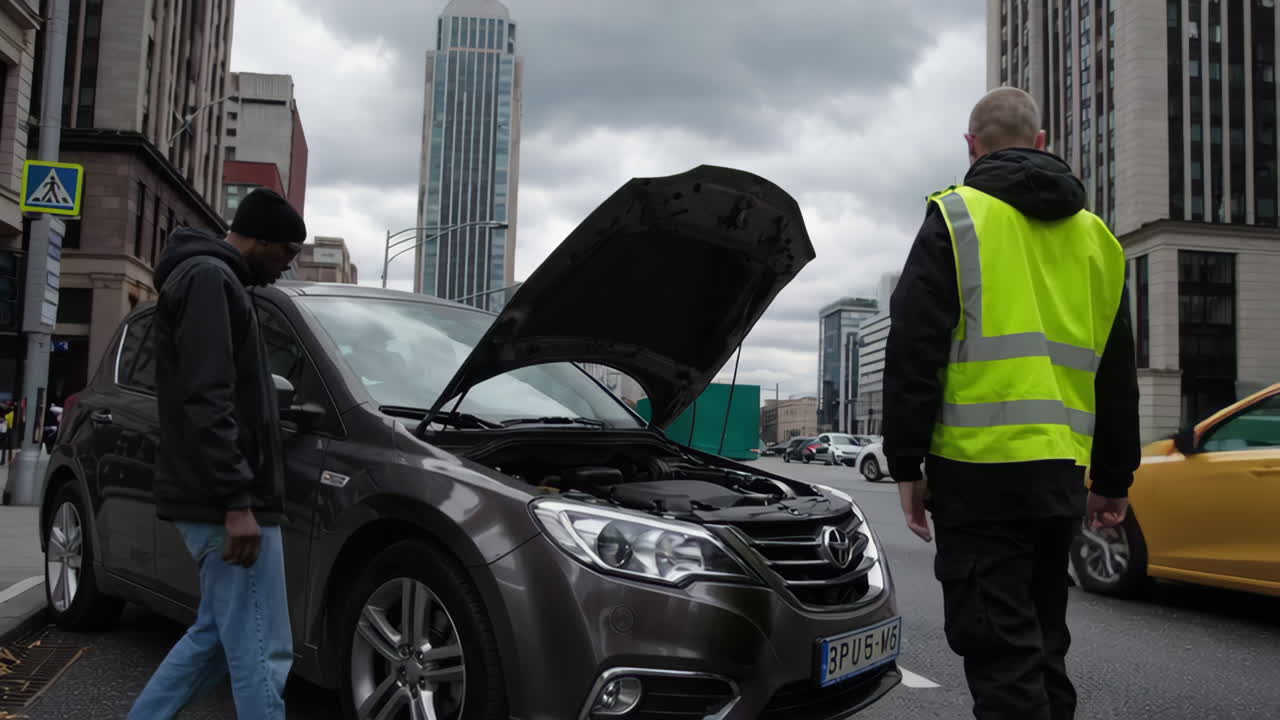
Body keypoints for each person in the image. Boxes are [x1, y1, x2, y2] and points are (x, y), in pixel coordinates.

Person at [882, 87, 1139, 720]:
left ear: (971, 146)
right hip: (1058, 478)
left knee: (1001, 654)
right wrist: (1113, 478)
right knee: (1043, 643)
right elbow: (1116, 371)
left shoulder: (955, 216)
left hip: (977, 475)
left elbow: (916, 348)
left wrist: (907, 464)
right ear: (1042, 142)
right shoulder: (1098, 238)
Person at [129, 188, 305, 719]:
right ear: (258, 239)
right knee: (262, 650)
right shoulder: (209, 279)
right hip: (221, 500)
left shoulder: (214, 278)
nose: (285, 269)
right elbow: (207, 397)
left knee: (214, 639)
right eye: (286, 255)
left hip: (215, 495)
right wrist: (237, 502)